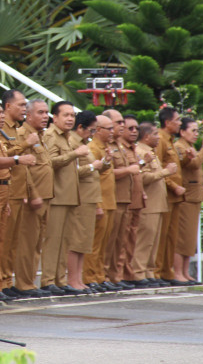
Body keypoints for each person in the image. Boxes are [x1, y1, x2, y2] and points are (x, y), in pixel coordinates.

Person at [0, 100, 34, 301]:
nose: (2, 116)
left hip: (4, 188)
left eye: (3, 113)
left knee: (0, 241)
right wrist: (18, 160)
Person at [41, 101, 90, 296]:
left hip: (69, 195)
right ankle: (47, 280)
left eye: (72, 115)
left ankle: (60, 279)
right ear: (55, 117)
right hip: (56, 195)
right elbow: (49, 162)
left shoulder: (68, 137)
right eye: (66, 115)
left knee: (64, 242)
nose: (70, 119)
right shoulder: (50, 135)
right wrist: (74, 154)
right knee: (53, 241)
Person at [11, 99, 53, 298]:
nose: (45, 116)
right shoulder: (23, 135)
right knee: (27, 242)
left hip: (46, 196)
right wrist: (33, 194)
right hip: (32, 196)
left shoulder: (40, 136)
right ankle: (23, 283)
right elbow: (22, 169)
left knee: (37, 242)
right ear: (28, 115)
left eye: (47, 112)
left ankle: (29, 282)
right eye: (41, 112)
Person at [0, 90, 37, 299]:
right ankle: (0, 281)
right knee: (3, 240)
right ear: (7, 106)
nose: (24, 109)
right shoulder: (1, 127)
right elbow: (6, 154)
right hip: (7, 189)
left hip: (19, 189)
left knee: (12, 241)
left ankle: (7, 280)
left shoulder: (18, 128)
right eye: (21, 105)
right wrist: (26, 144)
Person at [133, 122, 176, 286]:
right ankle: (138, 272)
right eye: (155, 134)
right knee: (144, 240)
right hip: (148, 204)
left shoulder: (151, 152)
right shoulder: (140, 152)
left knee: (154, 240)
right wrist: (166, 172)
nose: (158, 138)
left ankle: (149, 271)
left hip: (157, 204)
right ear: (146, 136)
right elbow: (142, 177)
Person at [69, 111, 106, 293]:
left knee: (84, 241)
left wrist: (102, 164)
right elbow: (72, 171)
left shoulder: (83, 143)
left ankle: (78, 278)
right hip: (80, 196)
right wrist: (93, 166)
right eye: (91, 131)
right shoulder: (73, 142)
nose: (92, 135)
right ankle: (72, 279)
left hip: (89, 197)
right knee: (76, 240)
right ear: (81, 127)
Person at [174, 118, 203, 283]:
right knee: (182, 237)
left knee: (190, 237)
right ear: (182, 132)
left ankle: (185, 272)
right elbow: (194, 164)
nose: (196, 134)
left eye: (197, 131)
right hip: (186, 196)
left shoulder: (189, 146)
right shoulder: (179, 146)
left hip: (194, 196)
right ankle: (177, 273)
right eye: (193, 130)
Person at [101, 109, 135, 290]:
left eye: (123, 122)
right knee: (108, 240)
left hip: (123, 198)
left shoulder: (119, 144)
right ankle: (104, 275)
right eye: (118, 122)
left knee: (119, 241)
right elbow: (107, 172)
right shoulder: (104, 145)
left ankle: (115, 275)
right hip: (111, 198)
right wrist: (129, 171)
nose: (122, 125)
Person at [83, 114, 117, 292]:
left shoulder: (105, 148)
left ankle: (100, 275)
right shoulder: (92, 148)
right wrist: (97, 205)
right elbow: (92, 178)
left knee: (104, 244)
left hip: (109, 200)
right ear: (98, 130)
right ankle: (89, 277)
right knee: (95, 244)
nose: (113, 132)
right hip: (100, 200)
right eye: (109, 128)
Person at [154, 107, 186, 285]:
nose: (180, 123)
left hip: (174, 197)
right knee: (162, 234)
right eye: (177, 120)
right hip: (166, 195)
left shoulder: (171, 140)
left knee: (171, 235)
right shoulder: (160, 140)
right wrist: (174, 186)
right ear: (167, 122)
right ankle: (157, 271)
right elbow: (158, 168)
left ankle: (167, 271)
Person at [120, 116, 147, 286]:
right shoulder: (120, 149)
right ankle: (122, 274)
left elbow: (136, 173)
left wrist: (142, 192)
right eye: (130, 128)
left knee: (131, 239)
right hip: (125, 200)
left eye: (136, 128)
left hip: (136, 198)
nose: (134, 131)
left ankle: (128, 273)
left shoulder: (132, 149)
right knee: (122, 239)